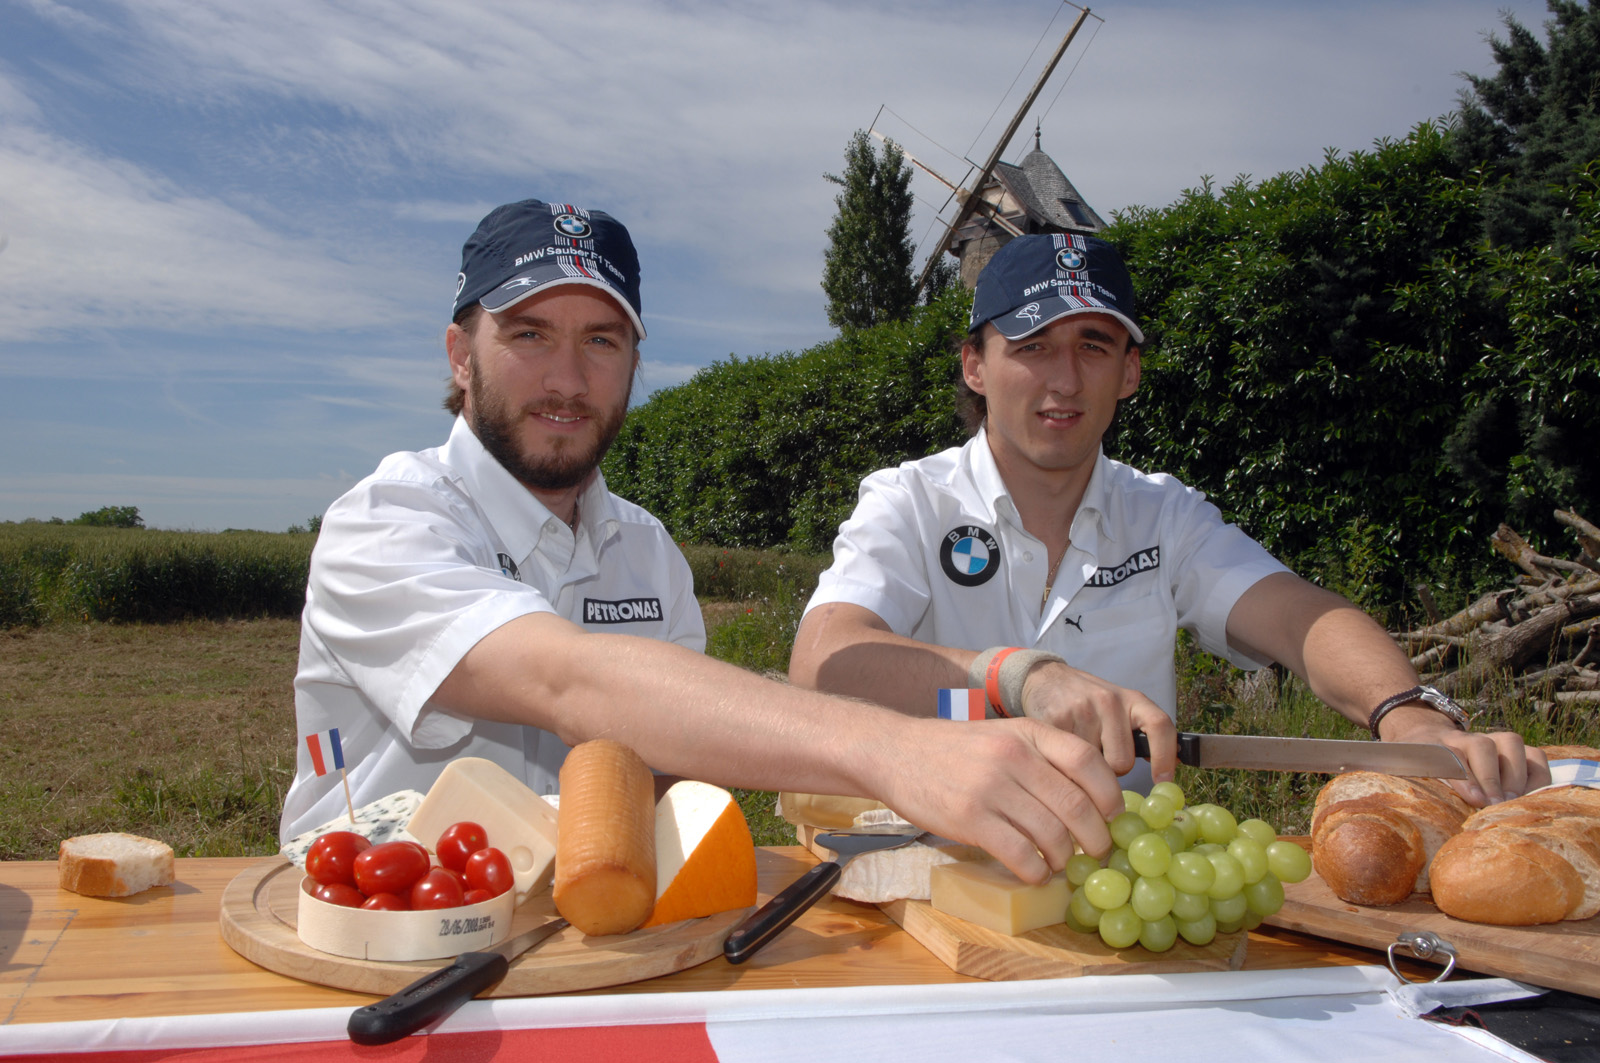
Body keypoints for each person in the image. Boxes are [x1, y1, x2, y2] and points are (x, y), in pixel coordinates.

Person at [280, 200, 1125, 884]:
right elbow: (566, 676)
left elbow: (670, 767)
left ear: (636, 360)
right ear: (462, 354)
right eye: (530, 333)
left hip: (588, 945)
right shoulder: (387, 520)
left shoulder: (646, 550)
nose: (568, 380)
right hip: (371, 935)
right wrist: (896, 748)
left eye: (601, 340)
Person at [789, 232, 1549, 807]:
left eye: (1094, 345)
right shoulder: (909, 500)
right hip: (931, 872)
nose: (1064, 378)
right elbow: (824, 658)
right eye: (1032, 345)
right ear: (975, 365)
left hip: (1119, 894)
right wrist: (1018, 676)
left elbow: (1299, 617)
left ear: (1129, 372)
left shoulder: (1161, 513)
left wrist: (1406, 716)